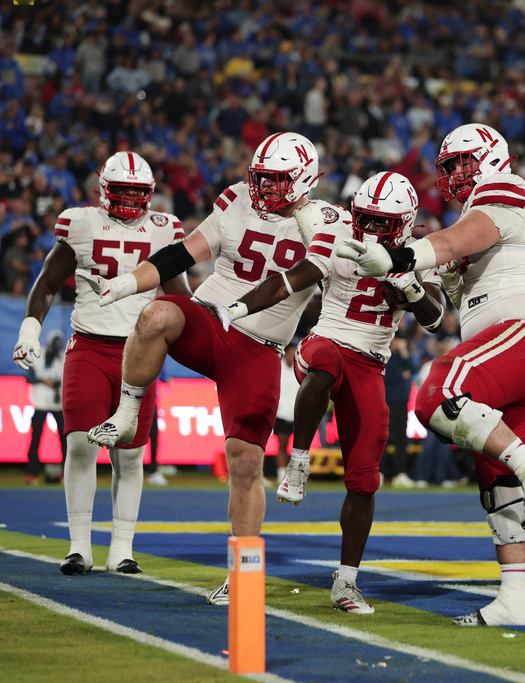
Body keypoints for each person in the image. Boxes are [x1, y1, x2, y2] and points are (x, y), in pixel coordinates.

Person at [74, 132, 341, 605]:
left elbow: (301, 277)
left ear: (303, 181)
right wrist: (123, 284)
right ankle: (128, 411)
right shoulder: (237, 199)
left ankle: (243, 577)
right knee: (156, 313)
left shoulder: (322, 222)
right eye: (261, 178)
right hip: (211, 321)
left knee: (245, 461)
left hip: (259, 345)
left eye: (277, 182)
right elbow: (183, 254)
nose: (263, 189)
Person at [338, 123, 525, 627]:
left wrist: (400, 255)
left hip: (521, 331)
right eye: (450, 166)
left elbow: (465, 235)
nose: (455, 174)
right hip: (512, 344)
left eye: (463, 162)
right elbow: (441, 313)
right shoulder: (473, 213)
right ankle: (516, 598)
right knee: (495, 475)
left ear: (490, 158)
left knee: (436, 395)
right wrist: (410, 287)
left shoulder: (503, 189)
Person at [208, 171, 445, 613]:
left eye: (381, 223)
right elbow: (293, 253)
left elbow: (434, 318)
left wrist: (405, 280)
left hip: (371, 362)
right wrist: (239, 305)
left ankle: (347, 582)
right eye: (366, 218)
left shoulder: (421, 251)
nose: (370, 230)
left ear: (405, 222)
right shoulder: (331, 225)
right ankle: (298, 461)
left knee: (364, 479)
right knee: (326, 360)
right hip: (324, 341)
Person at [12, 151, 191, 575]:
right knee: (79, 446)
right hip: (89, 347)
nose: (130, 200)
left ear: (150, 193)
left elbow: (180, 295)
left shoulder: (164, 229)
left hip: (141, 350)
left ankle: (122, 550)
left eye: (137, 192)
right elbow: (48, 281)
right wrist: (29, 329)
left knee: (129, 457)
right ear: (103, 188)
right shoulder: (80, 222)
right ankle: (79, 547)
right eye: (122, 191)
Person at [25, 330, 66, 485]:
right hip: (40, 402)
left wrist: (59, 383)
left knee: (65, 439)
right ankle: (31, 472)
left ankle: (66, 472)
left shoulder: (63, 357)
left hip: (58, 403)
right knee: (36, 438)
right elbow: (28, 376)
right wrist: (43, 380)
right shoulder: (37, 356)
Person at [382, 334, 420, 488]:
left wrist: (405, 354)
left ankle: (400, 473)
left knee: (401, 439)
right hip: (387, 401)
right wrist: (402, 375)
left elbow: (413, 369)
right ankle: (380, 472)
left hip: (402, 402)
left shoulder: (401, 355)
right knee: (383, 437)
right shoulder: (384, 353)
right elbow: (387, 375)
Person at [271, 340, 300, 487]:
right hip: (281, 413)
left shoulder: (300, 370)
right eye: (290, 352)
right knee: (282, 444)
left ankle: (292, 475)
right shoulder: (278, 368)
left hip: (297, 414)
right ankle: (281, 474)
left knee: (297, 447)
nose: (292, 355)